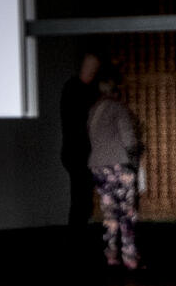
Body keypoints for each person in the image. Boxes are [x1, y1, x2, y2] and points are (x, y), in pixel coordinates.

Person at [86, 66, 144, 271]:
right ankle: (130, 257)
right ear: (115, 89)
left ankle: (111, 254)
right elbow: (129, 140)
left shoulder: (93, 111)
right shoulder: (118, 109)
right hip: (120, 165)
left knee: (109, 213)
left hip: (97, 166)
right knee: (127, 212)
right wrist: (135, 157)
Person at [58, 52, 101, 230]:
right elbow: (81, 120)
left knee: (81, 196)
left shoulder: (81, 89)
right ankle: (76, 234)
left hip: (79, 151)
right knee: (80, 197)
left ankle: (78, 231)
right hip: (77, 151)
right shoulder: (75, 90)